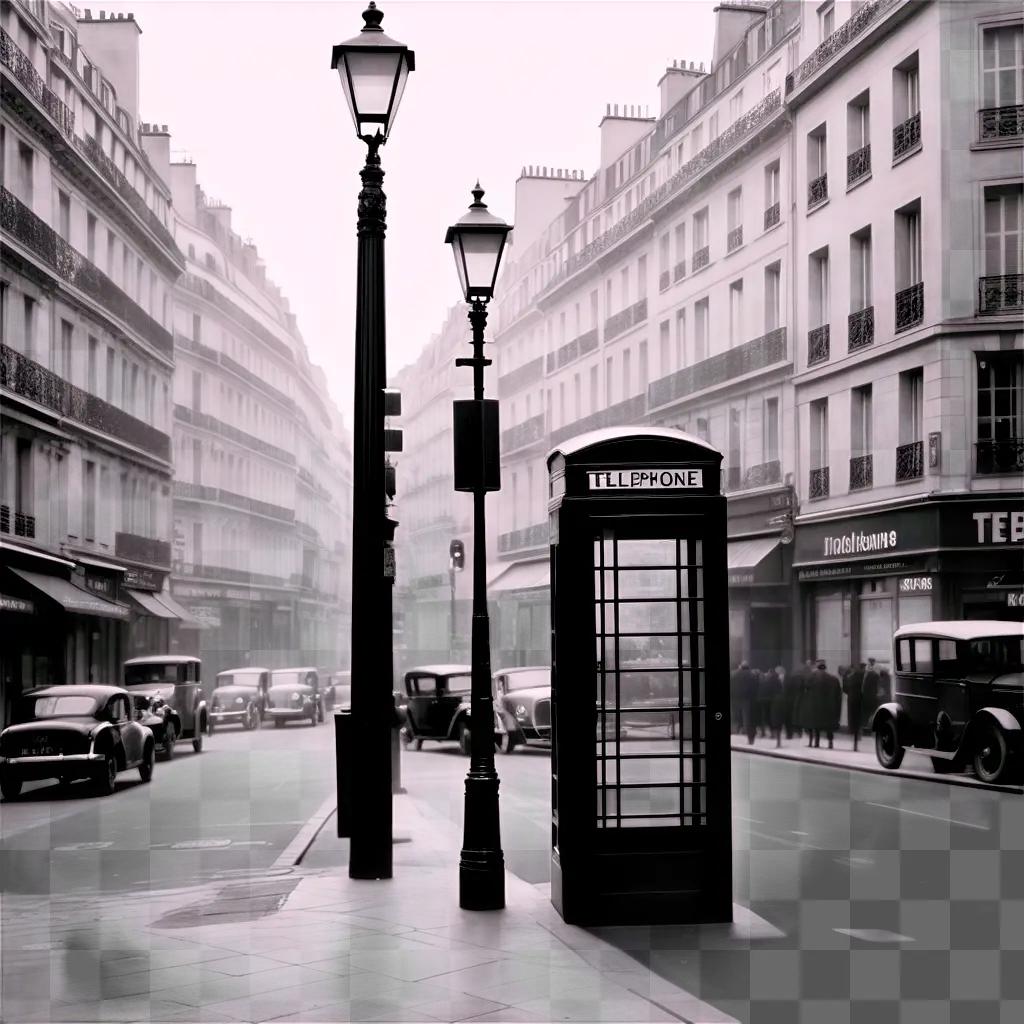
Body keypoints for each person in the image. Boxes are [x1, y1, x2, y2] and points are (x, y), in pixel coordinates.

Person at [730, 661, 758, 744]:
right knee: (748, 717)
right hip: (748, 699)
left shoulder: (734, 675)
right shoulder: (752, 675)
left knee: (736, 716)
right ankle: (749, 736)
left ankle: (736, 729)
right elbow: (755, 687)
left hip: (735, 699)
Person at [843, 662, 866, 751]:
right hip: (860, 700)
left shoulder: (849, 677)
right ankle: (856, 739)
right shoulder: (862, 676)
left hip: (851, 699)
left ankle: (854, 739)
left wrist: (850, 693)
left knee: (852, 719)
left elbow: (845, 688)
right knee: (858, 719)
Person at [762, 666, 785, 748]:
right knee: (778, 723)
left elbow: (765, 691)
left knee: (773, 720)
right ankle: (778, 740)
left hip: (771, 703)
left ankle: (775, 736)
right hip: (777, 703)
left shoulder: (768, 680)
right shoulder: (777, 681)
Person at [784, 660, 806, 739]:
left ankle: (789, 734)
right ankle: (799, 732)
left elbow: (786, 689)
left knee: (789, 718)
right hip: (800, 700)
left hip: (790, 701)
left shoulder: (790, 678)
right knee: (798, 717)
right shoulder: (803, 679)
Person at [755, 668, 773, 738]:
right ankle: (768, 732)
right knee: (767, 717)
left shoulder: (758, 683)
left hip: (760, 701)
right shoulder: (767, 683)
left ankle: (763, 732)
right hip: (767, 701)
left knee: (762, 718)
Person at [862, 658, 881, 724]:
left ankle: (867, 725)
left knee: (868, 712)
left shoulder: (870, 674)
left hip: (868, 696)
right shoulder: (874, 674)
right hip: (872, 696)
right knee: (871, 712)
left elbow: (865, 686)